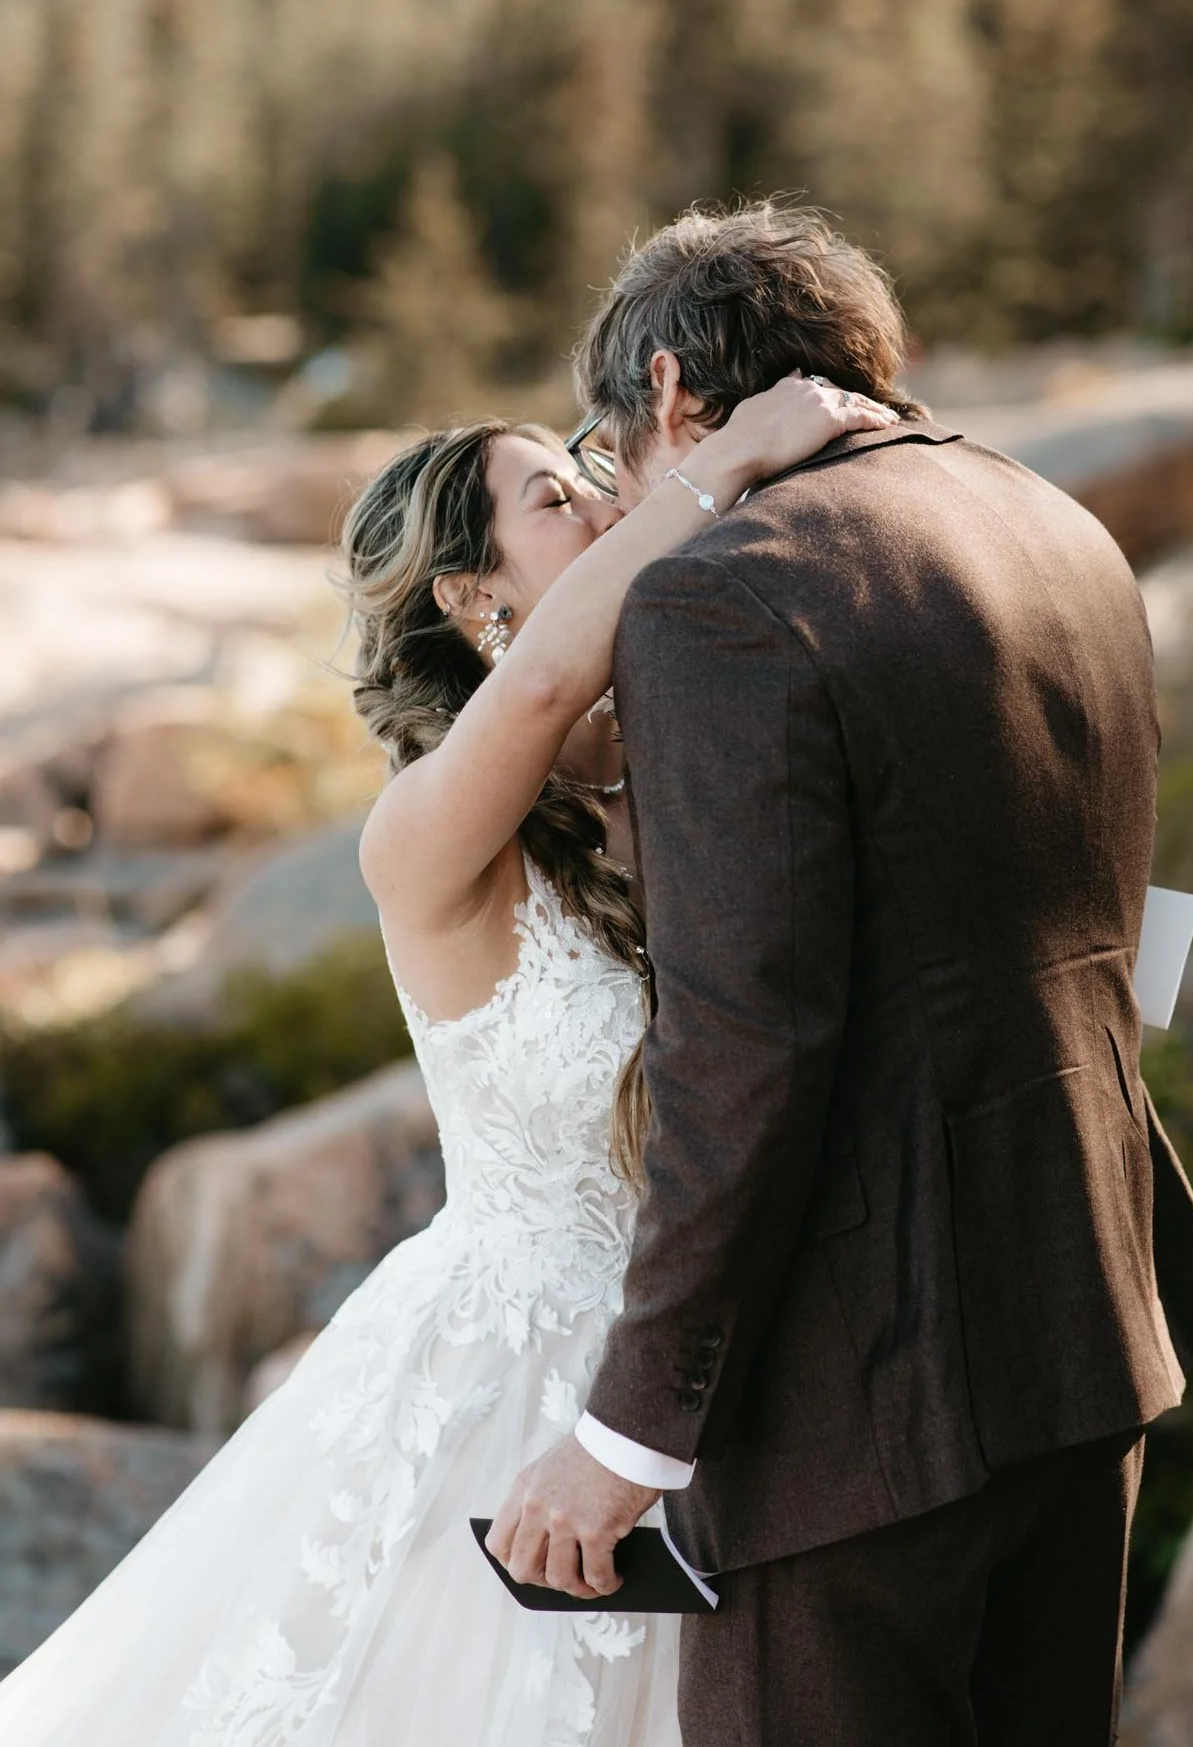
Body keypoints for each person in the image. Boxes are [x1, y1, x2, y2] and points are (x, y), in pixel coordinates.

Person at [0, 370, 894, 1746]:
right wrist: (744, 454)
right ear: (476, 599)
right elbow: (544, 684)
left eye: (596, 480)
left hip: (722, 1382)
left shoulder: (693, 772)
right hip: (507, 1412)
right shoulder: (425, 839)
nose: (603, 499)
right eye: (556, 496)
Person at [489, 202, 1193, 1747]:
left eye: (605, 442)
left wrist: (631, 1435)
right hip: (1091, 1323)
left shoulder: (717, 600)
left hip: (867, 1402)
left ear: (672, 398)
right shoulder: (1055, 524)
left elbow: (748, 1047)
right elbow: (1112, 911)